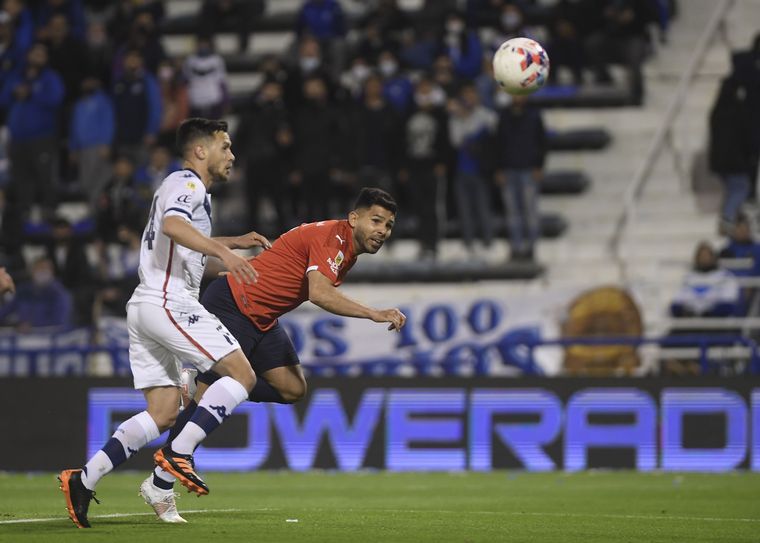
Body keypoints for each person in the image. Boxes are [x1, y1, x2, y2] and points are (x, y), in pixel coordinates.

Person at [141, 187, 406, 522]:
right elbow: (319, 293)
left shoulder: (344, 248)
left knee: (292, 389)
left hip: (261, 318)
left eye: (389, 226)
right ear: (354, 218)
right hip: (234, 304)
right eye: (376, 220)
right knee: (206, 401)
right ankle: (160, 486)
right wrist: (374, 313)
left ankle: (197, 381)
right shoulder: (333, 240)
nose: (383, 230)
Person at [58, 118, 271, 529]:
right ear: (200, 150)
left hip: (146, 305)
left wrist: (230, 244)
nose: (232, 155)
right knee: (241, 375)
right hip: (167, 301)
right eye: (224, 146)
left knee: (162, 413)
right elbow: (174, 226)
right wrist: (225, 255)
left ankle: (83, 479)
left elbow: (180, 245)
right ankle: (179, 454)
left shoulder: (184, 192)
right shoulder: (188, 183)